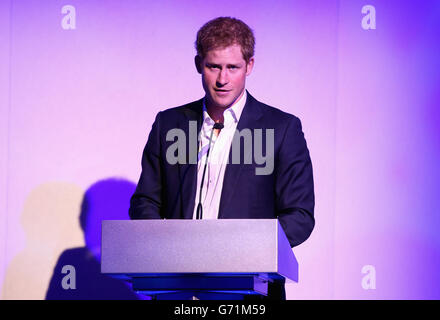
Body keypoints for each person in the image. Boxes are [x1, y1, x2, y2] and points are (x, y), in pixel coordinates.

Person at [129, 17, 315, 299]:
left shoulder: (282, 128)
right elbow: (146, 201)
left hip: (249, 291)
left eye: (233, 67)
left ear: (249, 66)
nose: (222, 79)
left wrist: (243, 250)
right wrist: (163, 250)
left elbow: (299, 215)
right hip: (177, 290)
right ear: (198, 65)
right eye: (213, 66)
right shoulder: (169, 124)